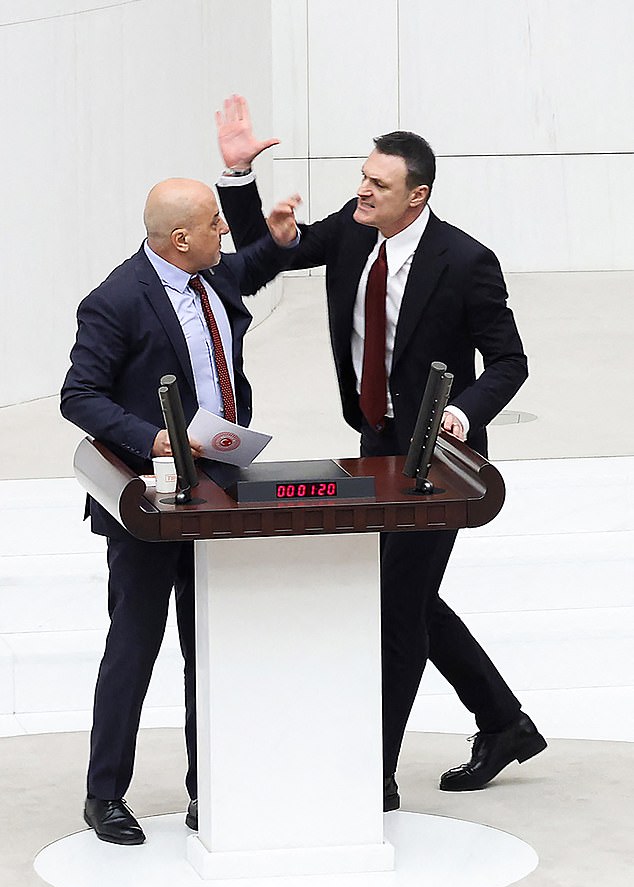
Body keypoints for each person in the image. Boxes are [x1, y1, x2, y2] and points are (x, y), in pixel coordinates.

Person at [214, 95, 547, 808]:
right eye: (363, 177)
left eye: (380, 184)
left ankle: (376, 772)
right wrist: (241, 183)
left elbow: (510, 362)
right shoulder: (354, 229)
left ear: (417, 195)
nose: (364, 191)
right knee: (407, 592)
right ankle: (503, 720)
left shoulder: (466, 261)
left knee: (394, 604)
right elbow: (274, 253)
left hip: (442, 453)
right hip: (377, 442)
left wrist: (462, 412)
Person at [60, 177, 298, 844]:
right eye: (215, 223)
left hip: (220, 491)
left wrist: (277, 241)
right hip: (149, 502)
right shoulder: (115, 300)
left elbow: (249, 264)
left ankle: (210, 787)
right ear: (179, 238)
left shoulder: (210, 274)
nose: (226, 232)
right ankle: (104, 793)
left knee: (211, 646)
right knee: (135, 646)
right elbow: (79, 394)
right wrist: (152, 437)